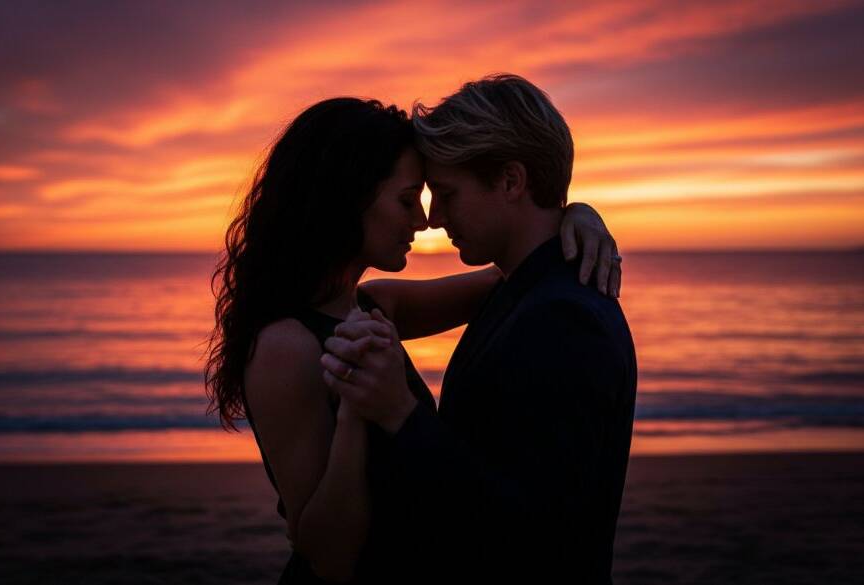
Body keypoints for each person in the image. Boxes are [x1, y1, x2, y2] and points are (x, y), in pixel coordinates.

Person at [205, 96, 621, 584]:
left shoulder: (375, 307)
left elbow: (519, 274)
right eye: (408, 200)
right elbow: (328, 557)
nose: (424, 221)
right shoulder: (285, 347)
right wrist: (358, 411)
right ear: (347, 198)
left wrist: (577, 214)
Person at [320, 75, 637, 584]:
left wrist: (398, 412)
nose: (435, 218)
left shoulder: (565, 319)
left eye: (446, 194)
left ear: (511, 182)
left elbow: (540, 531)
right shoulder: (521, 288)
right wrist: (575, 212)